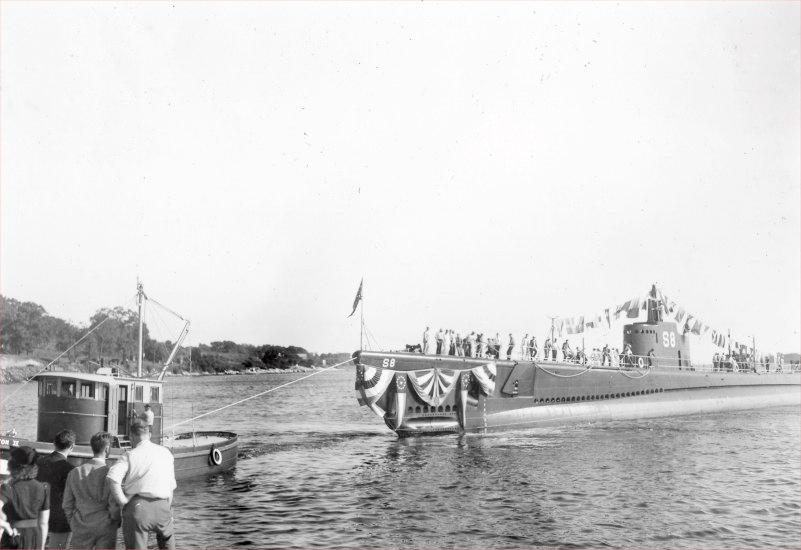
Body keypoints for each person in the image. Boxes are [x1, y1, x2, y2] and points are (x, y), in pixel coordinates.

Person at [108, 420, 177, 550]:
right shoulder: (166, 453)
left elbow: (112, 478)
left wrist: (122, 501)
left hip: (138, 509)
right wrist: (167, 509)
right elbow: (171, 487)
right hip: (163, 507)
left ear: (131, 436)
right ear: (149, 434)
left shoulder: (129, 455)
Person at [62, 432, 120, 550]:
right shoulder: (111, 474)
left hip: (81, 525)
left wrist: (73, 523)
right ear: (107, 449)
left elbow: (67, 504)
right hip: (106, 527)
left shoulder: (75, 473)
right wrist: (115, 522)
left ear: (92, 447)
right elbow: (114, 506)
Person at [0, 446, 50, 550]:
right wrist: (41, 547)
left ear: (12, 465)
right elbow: (43, 523)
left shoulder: (8, 487)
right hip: (34, 538)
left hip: (13, 537)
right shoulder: (43, 488)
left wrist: (5, 526)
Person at [36, 430, 75, 550]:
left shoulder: (39, 462)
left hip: (38, 516)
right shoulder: (70, 469)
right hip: (59, 521)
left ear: (54, 443)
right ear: (72, 446)